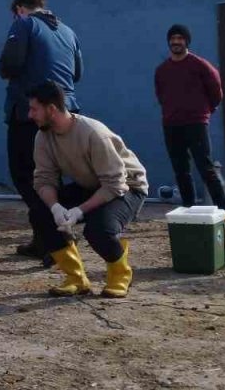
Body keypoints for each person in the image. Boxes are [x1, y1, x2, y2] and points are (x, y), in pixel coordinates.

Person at [28, 82, 148, 299]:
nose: (30, 115)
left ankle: (120, 275)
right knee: (39, 213)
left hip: (127, 187)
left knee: (99, 229)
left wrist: (79, 211)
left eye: (34, 109)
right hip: (92, 185)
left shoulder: (93, 133)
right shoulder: (43, 136)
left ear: (51, 109)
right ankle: (76, 279)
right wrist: (55, 207)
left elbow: (114, 184)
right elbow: (44, 179)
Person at [0, 0, 82, 264]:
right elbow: (77, 73)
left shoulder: (24, 25)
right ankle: (43, 239)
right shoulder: (68, 32)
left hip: (29, 114)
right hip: (65, 114)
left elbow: (8, 65)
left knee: (26, 176)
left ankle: (53, 241)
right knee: (50, 177)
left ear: (20, 10)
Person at [154, 24, 225, 210]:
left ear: (186, 41)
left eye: (180, 38)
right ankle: (188, 210)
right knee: (181, 171)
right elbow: (161, 95)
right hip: (171, 124)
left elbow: (216, 93)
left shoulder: (200, 65)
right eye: (173, 39)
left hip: (196, 123)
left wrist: (203, 111)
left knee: (206, 168)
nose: (176, 42)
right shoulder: (162, 70)